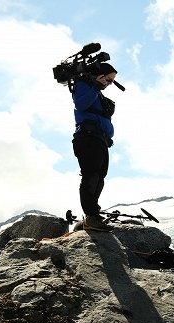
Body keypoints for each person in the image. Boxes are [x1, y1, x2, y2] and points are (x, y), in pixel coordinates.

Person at [72, 63, 118, 232]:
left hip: (99, 139)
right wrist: (95, 86)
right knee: (91, 175)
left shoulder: (96, 92)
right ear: (99, 75)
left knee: (99, 176)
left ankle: (93, 215)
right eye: (108, 79)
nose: (109, 83)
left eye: (112, 81)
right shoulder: (84, 86)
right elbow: (81, 104)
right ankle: (91, 216)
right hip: (88, 138)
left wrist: (106, 136)